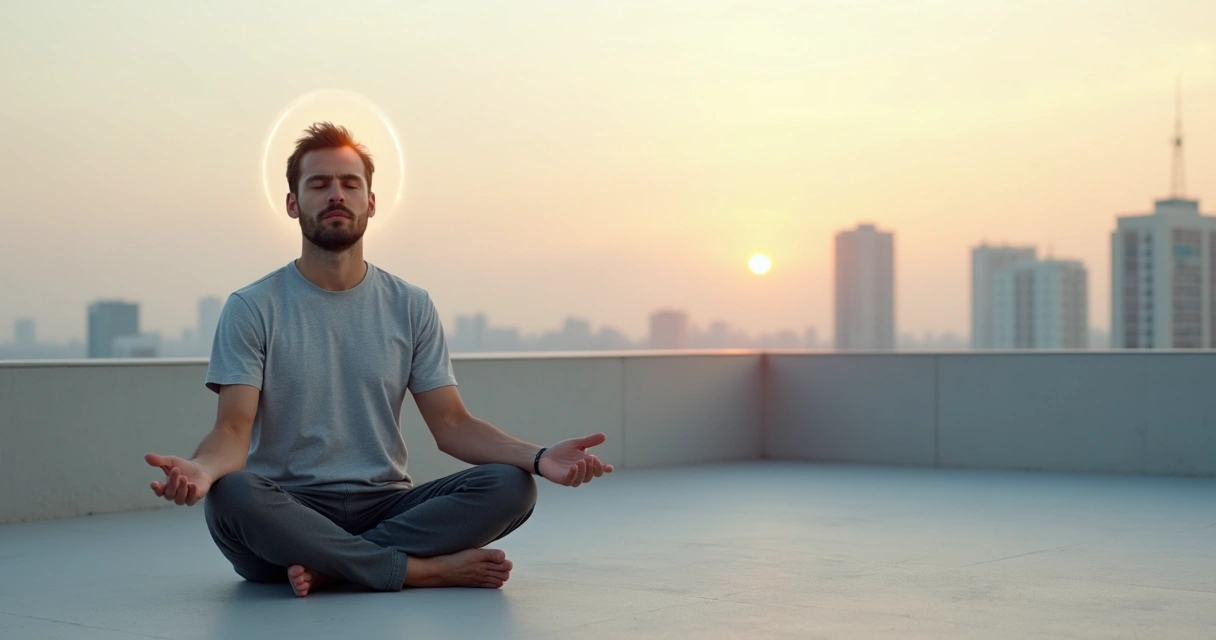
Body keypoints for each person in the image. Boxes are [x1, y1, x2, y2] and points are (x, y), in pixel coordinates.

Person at [144, 122, 613, 597]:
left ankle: (333, 566)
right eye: (319, 184)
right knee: (233, 495)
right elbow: (232, 431)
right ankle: (418, 570)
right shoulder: (252, 307)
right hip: (287, 512)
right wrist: (204, 469)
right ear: (292, 203)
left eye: (350, 184)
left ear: (370, 202)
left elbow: (452, 424)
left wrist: (537, 458)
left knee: (511, 488)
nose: (336, 195)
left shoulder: (410, 305)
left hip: (386, 506)